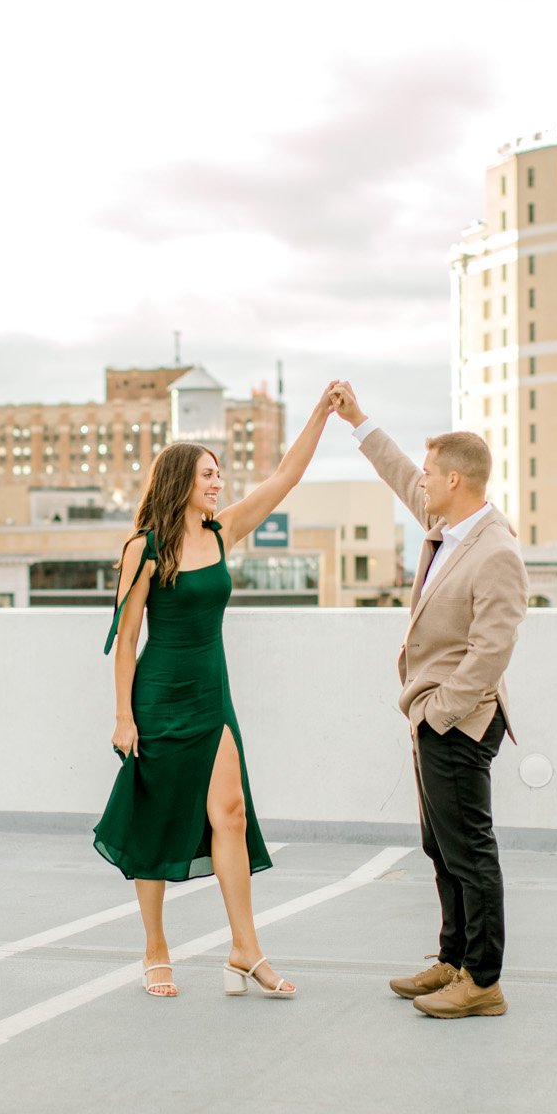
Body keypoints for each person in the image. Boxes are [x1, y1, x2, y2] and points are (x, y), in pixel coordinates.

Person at [93, 381, 344, 999]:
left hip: (212, 695)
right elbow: (125, 641)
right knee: (153, 821)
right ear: (181, 479)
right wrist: (124, 717)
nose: (219, 483)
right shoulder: (144, 550)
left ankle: (244, 949)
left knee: (229, 814)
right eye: (209, 474)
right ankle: (155, 948)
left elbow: (284, 477)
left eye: (221, 474)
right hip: (157, 698)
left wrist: (320, 413)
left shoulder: (223, 532)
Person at [331, 382, 527, 1019]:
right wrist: (358, 418)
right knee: (440, 848)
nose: (421, 482)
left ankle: (483, 980)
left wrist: (441, 713)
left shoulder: (496, 549)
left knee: (471, 852)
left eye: (430, 474)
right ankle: (452, 960)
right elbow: (396, 472)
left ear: (455, 479)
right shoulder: (449, 524)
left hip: (460, 721)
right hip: (432, 717)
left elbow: (492, 650)